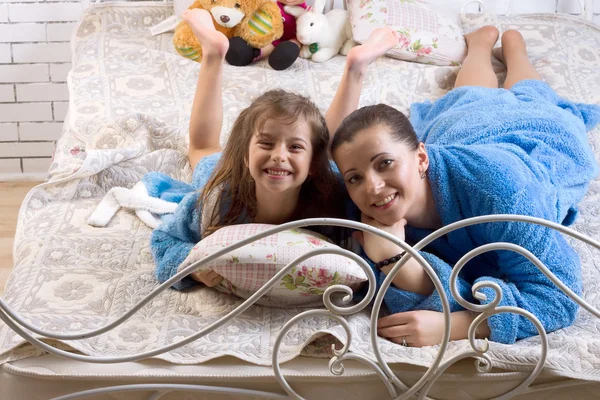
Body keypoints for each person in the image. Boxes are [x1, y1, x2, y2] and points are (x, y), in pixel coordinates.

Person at [326, 25, 600, 346]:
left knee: (532, 95)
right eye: (355, 177)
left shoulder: (507, 195)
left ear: (421, 157)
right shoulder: (357, 200)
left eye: (385, 163)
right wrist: (354, 71)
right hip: (464, 129)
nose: (371, 187)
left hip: (533, 139)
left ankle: (515, 47)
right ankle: (480, 44)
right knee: (467, 98)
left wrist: (456, 325)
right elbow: (321, 164)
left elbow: (558, 296)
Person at [150, 8, 345, 290]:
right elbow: (163, 240)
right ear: (245, 152)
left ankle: (354, 69)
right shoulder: (217, 200)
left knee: (327, 146)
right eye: (266, 143)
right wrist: (192, 267)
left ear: (314, 165)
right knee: (202, 148)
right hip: (228, 176)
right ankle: (213, 55)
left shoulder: (329, 201)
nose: (279, 154)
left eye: (294, 147)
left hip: (313, 171)